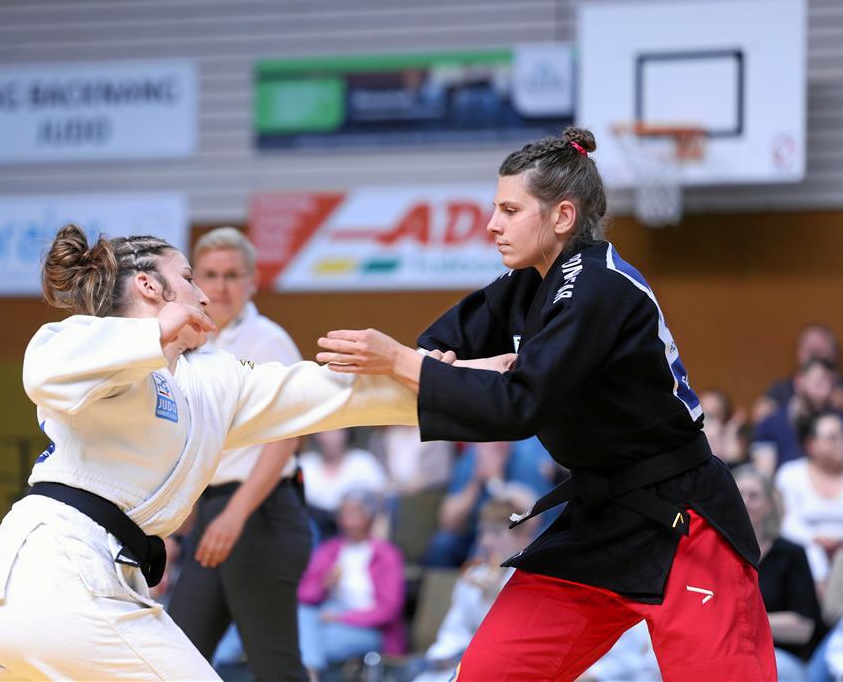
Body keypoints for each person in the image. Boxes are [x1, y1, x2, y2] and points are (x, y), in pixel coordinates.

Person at [316, 127, 776, 680]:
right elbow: (438, 347)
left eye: (510, 210)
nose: (492, 224)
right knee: (486, 673)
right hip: (597, 522)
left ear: (561, 216)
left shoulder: (601, 288)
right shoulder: (524, 285)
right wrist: (425, 363)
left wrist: (401, 362)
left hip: (683, 520)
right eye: (495, 208)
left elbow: (518, 405)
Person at [0, 226, 427, 681]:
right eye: (192, 278)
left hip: (44, 594)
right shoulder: (84, 344)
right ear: (150, 287)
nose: (205, 294)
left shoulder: (208, 376)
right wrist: (154, 332)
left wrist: (437, 379)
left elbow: (328, 393)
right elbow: (42, 371)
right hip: (55, 576)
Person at [166, 227, 312, 681]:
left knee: (274, 666)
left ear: (252, 280)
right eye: (209, 274)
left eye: (233, 274)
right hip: (212, 511)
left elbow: (285, 437)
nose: (221, 286)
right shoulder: (191, 342)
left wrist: (235, 513)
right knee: (175, 659)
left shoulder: (268, 341)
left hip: (260, 512)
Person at [413, 491, 536, 682]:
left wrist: (495, 598)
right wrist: (444, 656)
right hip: (466, 661)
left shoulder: (531, 582)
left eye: (496, 533)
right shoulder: (472, 578)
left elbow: (523, 643)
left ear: (522, 538)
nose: (486, 541)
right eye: (483, 532)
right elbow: (455, 629)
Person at [296, 489, 406, 676]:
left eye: (354, 512)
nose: (347, 519)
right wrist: (324, 584)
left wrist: (343, 618)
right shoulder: (329, 551)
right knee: (303, 615)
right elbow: (304, 595)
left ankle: (310, 671)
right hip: (325, 617)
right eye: (344, 513)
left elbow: (389, 609)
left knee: (305, 644)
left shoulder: (386, 555)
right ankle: (310, 672)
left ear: (369, 517)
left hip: (367, 626)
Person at [734, 465, 825, 679]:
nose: (745, 502)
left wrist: (740, 622)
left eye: (754, 496)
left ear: (768, 504)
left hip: (779, 655)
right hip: (727, 652)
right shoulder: (717, 552)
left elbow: (804, 628)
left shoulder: (791, 554)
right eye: (739, 495)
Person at [775, 412, 843, 585]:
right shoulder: (790, 474)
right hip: (805, 551)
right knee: (811, 555)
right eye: (833, 438)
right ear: (811, 444)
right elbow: (784, 521)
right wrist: (814, 539)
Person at [752, 358, 843, 477]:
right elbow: (764, 477)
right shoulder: (770, 424)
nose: (826, 392)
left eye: (831, 384)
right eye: (819, 383)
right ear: (799, 381)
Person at [756, 325, 843, 424]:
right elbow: (761, 413)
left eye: (819, 346)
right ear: (799, 353)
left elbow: (842, 403)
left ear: (834, 353)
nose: (813, 350)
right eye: (808, 346)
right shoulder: (781, 387)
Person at [300, 429, 389, 539]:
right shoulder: (306, 463)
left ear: (347, 434)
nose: (331, 438)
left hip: (356, 533)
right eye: (325, 432)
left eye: (336, 432)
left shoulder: (363, 462)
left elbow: (381, 503)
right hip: (313, 532)